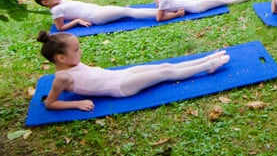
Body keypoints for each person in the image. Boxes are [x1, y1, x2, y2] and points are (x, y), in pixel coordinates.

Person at [36, 31, 229, 111]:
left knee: (165, 67)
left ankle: (206, 59)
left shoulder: (69, 63)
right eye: (77, 50)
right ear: (61, 58)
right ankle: (207, 66)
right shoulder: (61, 78)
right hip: (121, 87)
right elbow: (50, 104)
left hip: (119, 76)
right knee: (165, 74)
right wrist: (76, 104)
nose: (80, 52)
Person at [34, 0, 157, 30]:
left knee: (127, 11)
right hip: (97, 16)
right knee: (128, 11)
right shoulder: (56, 9)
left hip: (98, 10)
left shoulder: (60, 2)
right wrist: (77, 21)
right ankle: (162, 14)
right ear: (45, 2)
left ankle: (163, 12)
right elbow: (60, 27)